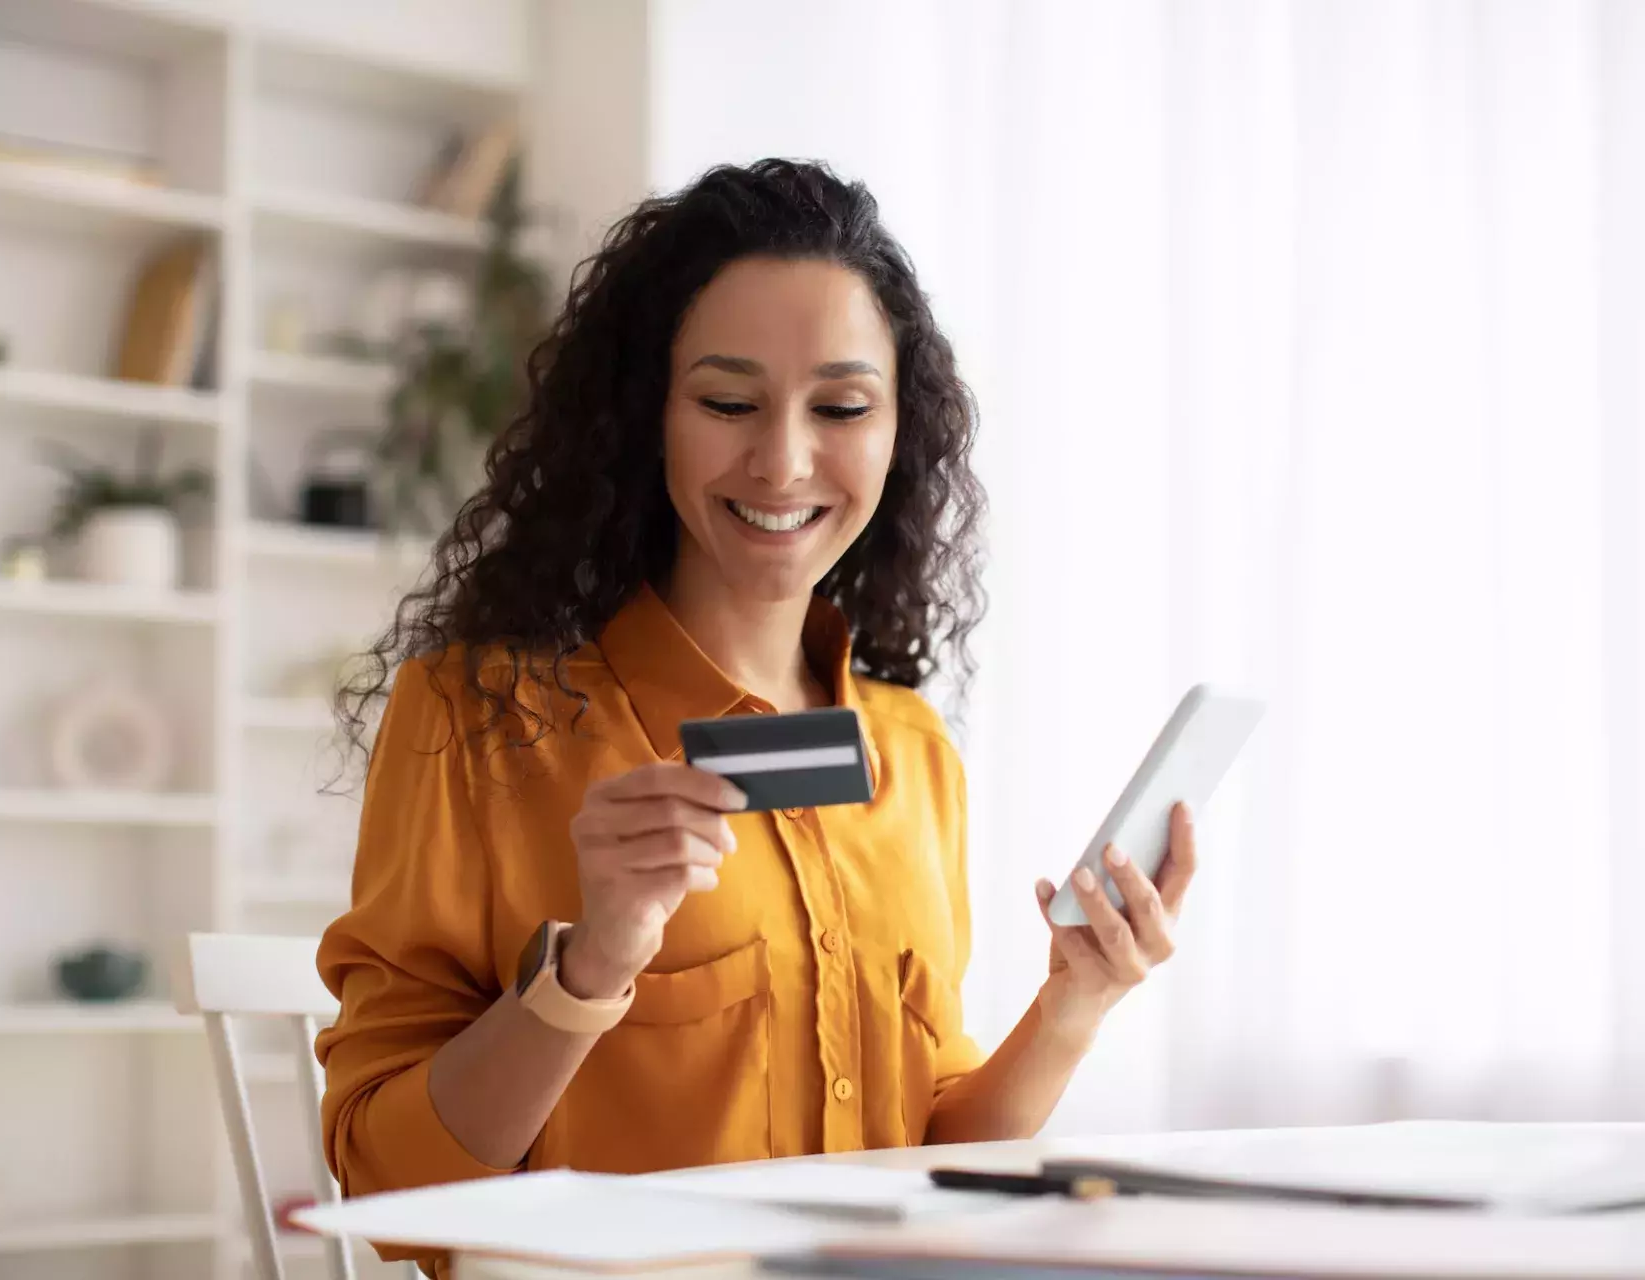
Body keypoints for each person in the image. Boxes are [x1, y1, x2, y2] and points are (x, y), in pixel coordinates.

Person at [316, 159, 1195, 1276]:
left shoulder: (913, 752)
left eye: (841, 408)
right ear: (648, 416)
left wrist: (1076, 1001)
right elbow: (389, 1190)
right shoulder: (480, 720)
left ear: (899, 431)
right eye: (728, 403)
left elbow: (923, 1165)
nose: (782, 461)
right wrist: (590, 966)